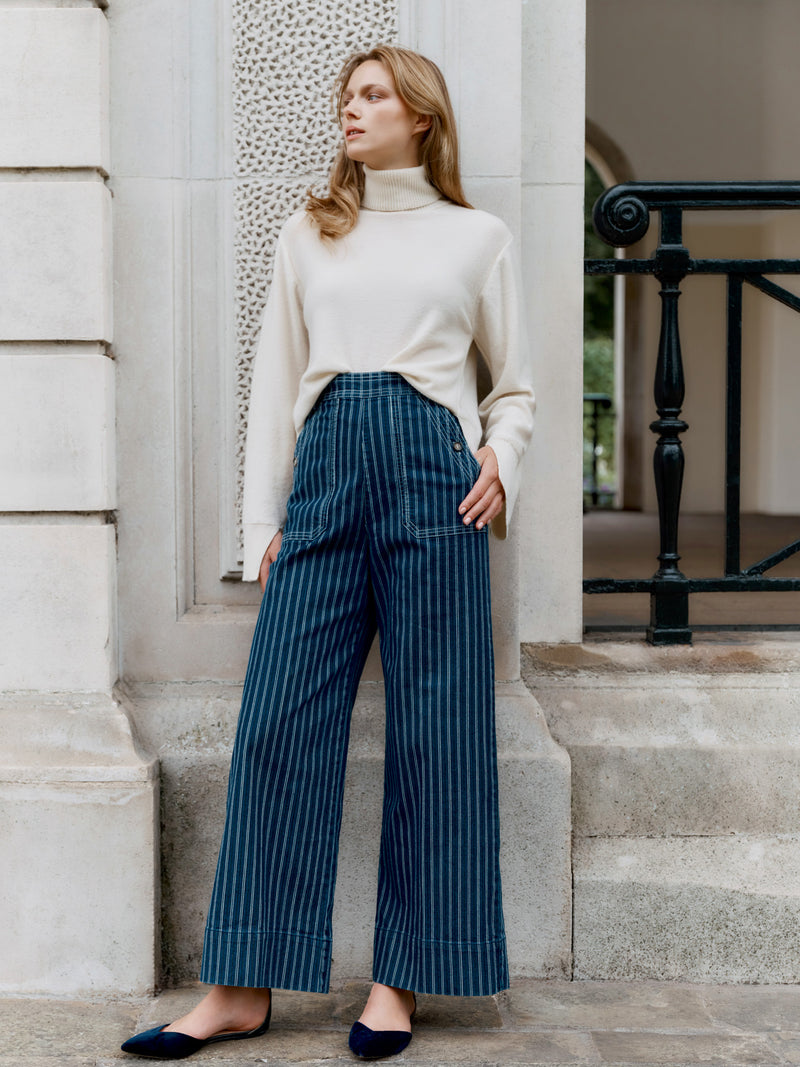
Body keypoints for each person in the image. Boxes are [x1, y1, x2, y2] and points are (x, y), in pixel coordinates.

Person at [122, 42, 535, 1061]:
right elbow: (275, 380)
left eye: (371, 94)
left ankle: (397, 981)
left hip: (437, 480)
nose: (350, 109)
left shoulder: (476, 238)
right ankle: (237, 983)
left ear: (420, 116)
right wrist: (261, 524)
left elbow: (514, 386)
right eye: (345, 94)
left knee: (437, 729)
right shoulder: (310, 231)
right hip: (326, 472)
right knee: (275, 722)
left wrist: (499, 453)